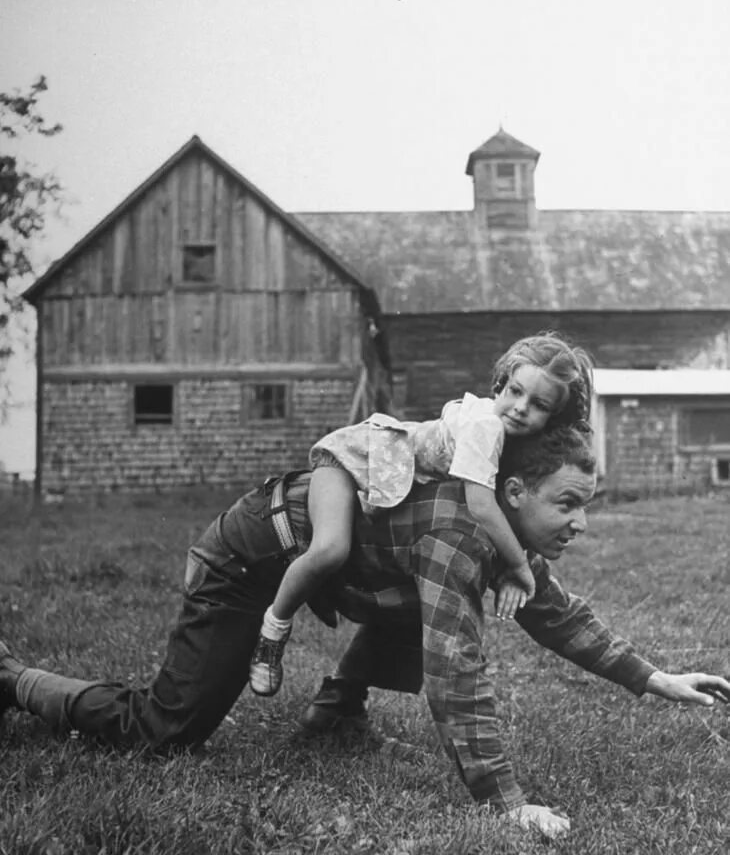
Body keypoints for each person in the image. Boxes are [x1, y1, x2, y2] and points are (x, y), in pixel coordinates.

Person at [1, 426, 728, 840]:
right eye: (568, 503)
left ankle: (332, 713)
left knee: (413, 604)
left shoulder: (503, 537)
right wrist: (507, 801)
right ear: (512, 495)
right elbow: (455, 669)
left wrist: (655, 678)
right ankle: (14, 679)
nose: (581, 522)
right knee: (166, 728)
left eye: (586, 505)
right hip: (253, 553)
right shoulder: (460, 535)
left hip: (332, 564)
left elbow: (556, 611)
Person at [249, 331, 594, 697]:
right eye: (514, 390)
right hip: (357, 458)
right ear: (499, 385)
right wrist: (520, 567)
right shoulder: (486, 427)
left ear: (553, 415)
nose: (521, 407)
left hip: (389, 480)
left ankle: (343, 695)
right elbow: (481, 506)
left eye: (539, 404)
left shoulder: (513, 441)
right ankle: (273, 630)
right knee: (330, 549)